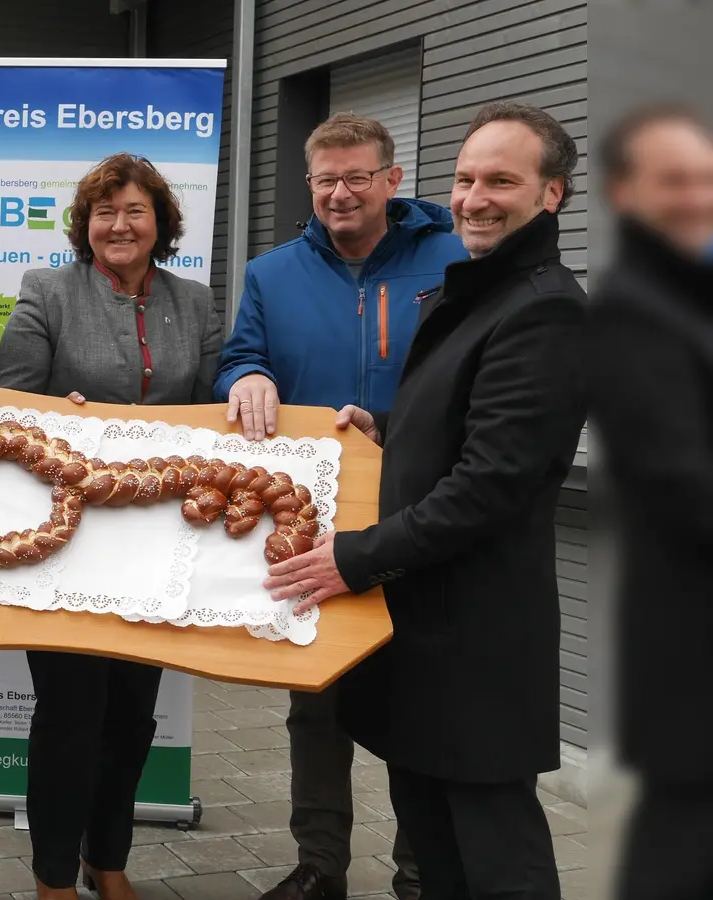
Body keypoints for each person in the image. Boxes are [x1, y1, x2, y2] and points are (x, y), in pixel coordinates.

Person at [262, 101, 588, 899]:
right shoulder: (480, 290)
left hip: (476, 643)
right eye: (466, 179)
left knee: (496, 860)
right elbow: (462, 425)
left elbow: (490, 486)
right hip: (425, 632)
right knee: (438, 852)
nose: (475, 198)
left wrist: (351, 558)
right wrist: (385, 429)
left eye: (501, 181)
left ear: (552, 194)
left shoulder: (544, 308)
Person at [214, 111, 467, 900]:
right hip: (314, 522)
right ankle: (319, 869)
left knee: (422, 706)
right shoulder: (272, 274)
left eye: (358, 177)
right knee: (316, 704)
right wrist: (247, 376)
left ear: (393, 179)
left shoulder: (454, 260)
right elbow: (238, 357)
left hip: (424, 515)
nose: (340, 194)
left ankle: (421, 875)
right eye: (326, 179)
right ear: (309, 183)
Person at [0, 152, 221, 900]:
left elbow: (216, 410)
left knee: (132, 714)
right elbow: (11, 405)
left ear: (161, 223)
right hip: (69, 536)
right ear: (84, 225)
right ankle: (53, 874)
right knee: (70, 713)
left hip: (158, 538)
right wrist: (60, 421)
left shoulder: (195, 303)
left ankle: (108, 858)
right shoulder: (48, 292)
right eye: (103, 212)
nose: (119, 225)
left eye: (135, 211)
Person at [586, 104, 713, 900]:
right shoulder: (632, 314)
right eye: (674, 181)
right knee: (680, 854)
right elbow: (684, 486)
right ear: (624, 193)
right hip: (691, 660)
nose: (696, 197)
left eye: (705, 179)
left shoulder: (687, 294)